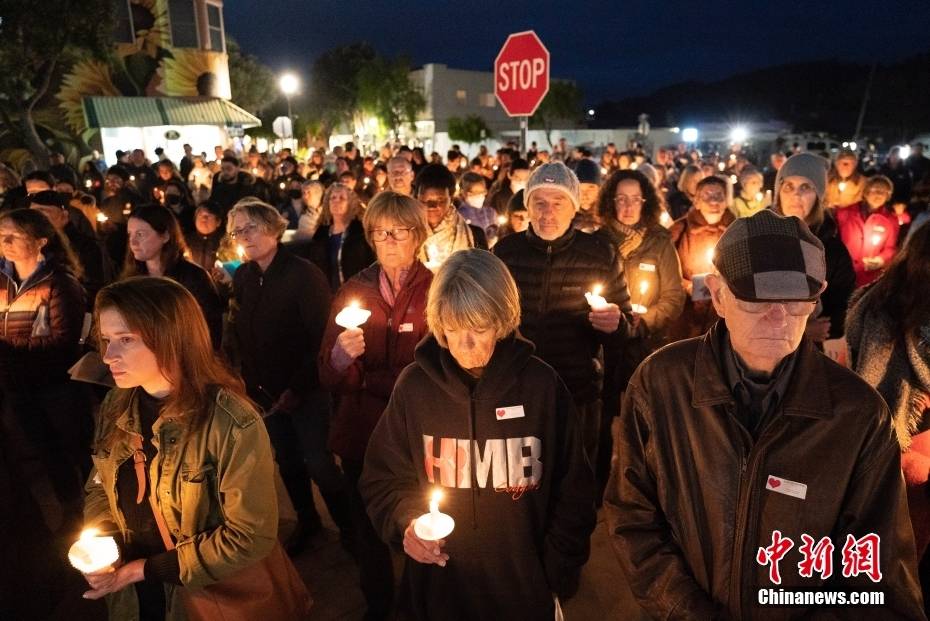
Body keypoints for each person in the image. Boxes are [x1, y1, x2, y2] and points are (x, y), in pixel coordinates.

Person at [605, 209, 925, 620]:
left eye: (795, 302)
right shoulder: (660, 385)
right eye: (757, 299)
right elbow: (633, 516)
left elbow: (874, 573)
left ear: (818, 296)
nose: (777, 318)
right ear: (718, 295)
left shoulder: (858, 415)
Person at [360, 248, 596, 621]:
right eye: (452, 329)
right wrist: (407, 522)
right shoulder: (415, 387)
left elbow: (575, 491)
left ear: (503, 320)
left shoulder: (541, 386)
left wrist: (553, 572)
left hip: (523, 592)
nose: (464, 345)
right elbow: (383, 478)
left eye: (479, 328)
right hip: (438, 592)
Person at [81, 277, 310, 620]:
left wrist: (148, 569)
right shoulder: (117, 405)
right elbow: (99, 486)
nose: (108, 355)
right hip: (135, 593)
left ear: (171, 339)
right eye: (106, 339)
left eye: (126, 339)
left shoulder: (231, 422)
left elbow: (250, 535)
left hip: (207, 595)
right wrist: (106, 545)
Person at [318, 191, 433, 620]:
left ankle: (424, 597)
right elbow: (327, 376)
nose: (388, 239)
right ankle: (379, 603)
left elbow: (429, 372)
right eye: (379, 231)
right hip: (361, 433)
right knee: (368, 527)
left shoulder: (435, 289)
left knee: (424, 518)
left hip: (416, 432)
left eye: (398, 230)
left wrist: (366, 377)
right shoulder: (354, 290)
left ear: (417, 235)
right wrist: (340, 359)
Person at [226, 198, 352, 554]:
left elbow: (321, 338)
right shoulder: (245, 276)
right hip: (264, 393)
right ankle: (307, 519)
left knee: (319, 462)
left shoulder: (302, 274)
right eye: (238, 230)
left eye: (251, 227)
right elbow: (242, 332)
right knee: (287, 461)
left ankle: (348, 526)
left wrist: (298, 387)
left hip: (306, 390)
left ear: (272, 228)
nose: (244, 236)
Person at [494, 162, 632, 468]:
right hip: (516, 388)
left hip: (576, 390)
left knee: (574, 478)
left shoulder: (600, 253)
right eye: (539, 203)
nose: (548, 213)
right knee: (518, 479)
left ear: (574, 208)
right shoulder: (505, 252)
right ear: (527, 206)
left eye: (558, 203)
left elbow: (627, 326)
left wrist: (615, 324)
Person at [0, 209, 90, 527]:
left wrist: (9, 347)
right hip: (17, 385)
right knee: (45, 449)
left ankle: (95, 502)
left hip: (56, 385)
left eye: (15, 236)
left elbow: (65, 339)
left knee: (75, 445)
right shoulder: (1, 282)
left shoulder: (59, 283)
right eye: (1, 235)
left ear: (40, 241)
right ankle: (69, 506)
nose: (5, 242)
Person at [773, 152, 856, 342]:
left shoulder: (833, 251)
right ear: (778, 194)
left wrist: (824, 329)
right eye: (788, 187)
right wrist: (798, 332)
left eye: (806, 187)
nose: (796, 194)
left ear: (819, 197)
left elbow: (844, 306)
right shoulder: (759, 241)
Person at [122, 205, 223, 349]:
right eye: (130, 234)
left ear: (165, 236)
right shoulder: (130, 280)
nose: (133, 242)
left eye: (140, 234)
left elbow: (210, 331)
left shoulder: (194, 278)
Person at [667, 175, 735, 340]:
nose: (714, 201)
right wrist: (687, 286)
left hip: (723, 315)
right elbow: (667, 270)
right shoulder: (679, 230)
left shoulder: (736, 231)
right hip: (686, 314)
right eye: (707, 195)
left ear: (726, 201)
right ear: (696, 201)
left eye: (719, 196)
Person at [29, 190, 110, 307]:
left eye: (43, 214)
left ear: (64, 216)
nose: (36, 220)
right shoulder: (29, 243)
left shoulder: (86, 246)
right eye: (32, 214)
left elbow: (94, 287)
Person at [415, 164, 488, 268]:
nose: (432, 206)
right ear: (417, 198)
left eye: (440, 200)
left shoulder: (475, 236)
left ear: (451, 199)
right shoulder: (406, 235)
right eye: (425, 200)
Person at [307, 183, 375, 292]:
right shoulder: (321, 234)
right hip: (328, 294)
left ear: (351, 203)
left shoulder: (360, 232)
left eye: (342, 198)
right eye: (333, 198)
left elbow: (370, 264)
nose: (336, 201)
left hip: (357, 293)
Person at [835, 174, 900, 286]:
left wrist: (881, 260)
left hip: (869, 277)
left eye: (883, 192)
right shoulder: (845, 213)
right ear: (865, 192)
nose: (879, 194)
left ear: (888, 196)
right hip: (844, 272)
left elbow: (890, 248)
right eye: (875, 190)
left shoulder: (891, 220)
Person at [454, 171, 497, 242]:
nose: (479, 196)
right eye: (475, 193)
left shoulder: (491, 212)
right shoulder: (459, 216)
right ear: (463, 193)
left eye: (482, 192)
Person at [183, 202, 225, 273]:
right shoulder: (185, 242)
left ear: (218, 222)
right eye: (200, 215)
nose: (204, 219)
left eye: (208, 216)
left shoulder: (225, 243)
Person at [573, 158, 602, 233]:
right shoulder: (566, 215)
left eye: (590, 188)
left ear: (599, 189)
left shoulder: (608, 215)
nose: (585, 194)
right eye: (580, 188)